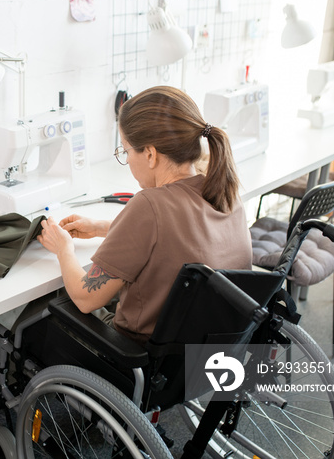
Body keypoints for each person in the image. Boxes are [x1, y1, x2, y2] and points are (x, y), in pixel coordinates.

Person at [37, 86, 252, 346]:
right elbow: (178, 235)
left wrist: (63, 249)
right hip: (206, 355)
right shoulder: (225, 191)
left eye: (126, 151)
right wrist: (102, 227)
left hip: (138, 358)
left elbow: (85, 298)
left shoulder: (149, 205)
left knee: (36, 323)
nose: (126, 160)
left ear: (150, 154)